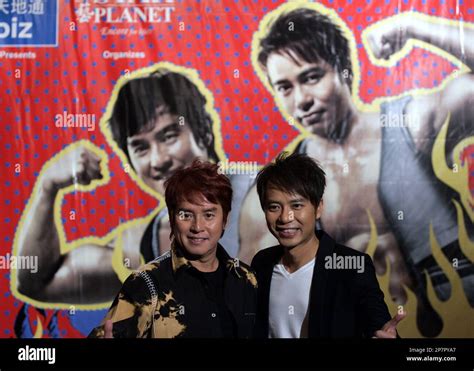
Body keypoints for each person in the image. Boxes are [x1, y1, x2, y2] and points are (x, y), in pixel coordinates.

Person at [240, 5, 474, 334]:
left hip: (457, 329)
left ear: (344, 70)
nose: (302, 100)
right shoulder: (276, 196)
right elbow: (251, 306)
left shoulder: (411, 124)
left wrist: (414, 26)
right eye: (285, 87)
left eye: (311, 77)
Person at [14, 67, 250, 306]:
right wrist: (48, 186)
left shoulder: (260, 198)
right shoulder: (138, 244)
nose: (158, 160)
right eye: (140, 148)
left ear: (204, 131)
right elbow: (39, 283)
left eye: (168, 136)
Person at [89, 159, 257, 338]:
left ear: (225, 220)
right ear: (171, 218)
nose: (197, 226)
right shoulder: (146, 284)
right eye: (186, 215)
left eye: (209, 215)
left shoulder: (246, 278)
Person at [251, 152, 404, 338]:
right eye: (274, 207)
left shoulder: (351, 265)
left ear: (318, 208)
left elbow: (379, 326)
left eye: (297, 206)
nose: (285, 217)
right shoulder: (262, 263)